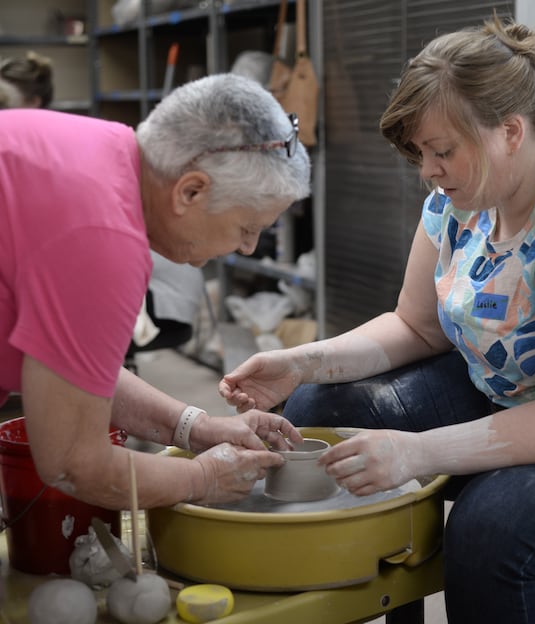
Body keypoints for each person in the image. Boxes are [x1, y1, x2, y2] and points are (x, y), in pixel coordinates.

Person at [219, 15, 535, 623]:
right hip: (509, 393)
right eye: (422, 152)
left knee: (488, 530)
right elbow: (416, 326)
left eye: (442, 151)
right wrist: (299, 362)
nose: (427, 170)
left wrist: (417, 452)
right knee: (321, 410)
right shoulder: (459, 196)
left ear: (510, 131)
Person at [0, 73, 311, 511]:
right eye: (248, 228)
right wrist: (202, 476)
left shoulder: (104, 147)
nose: (248, 248)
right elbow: (73, 461)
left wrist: (197, 428)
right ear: (191, 191)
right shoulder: (103, 238)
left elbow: (74, 374)